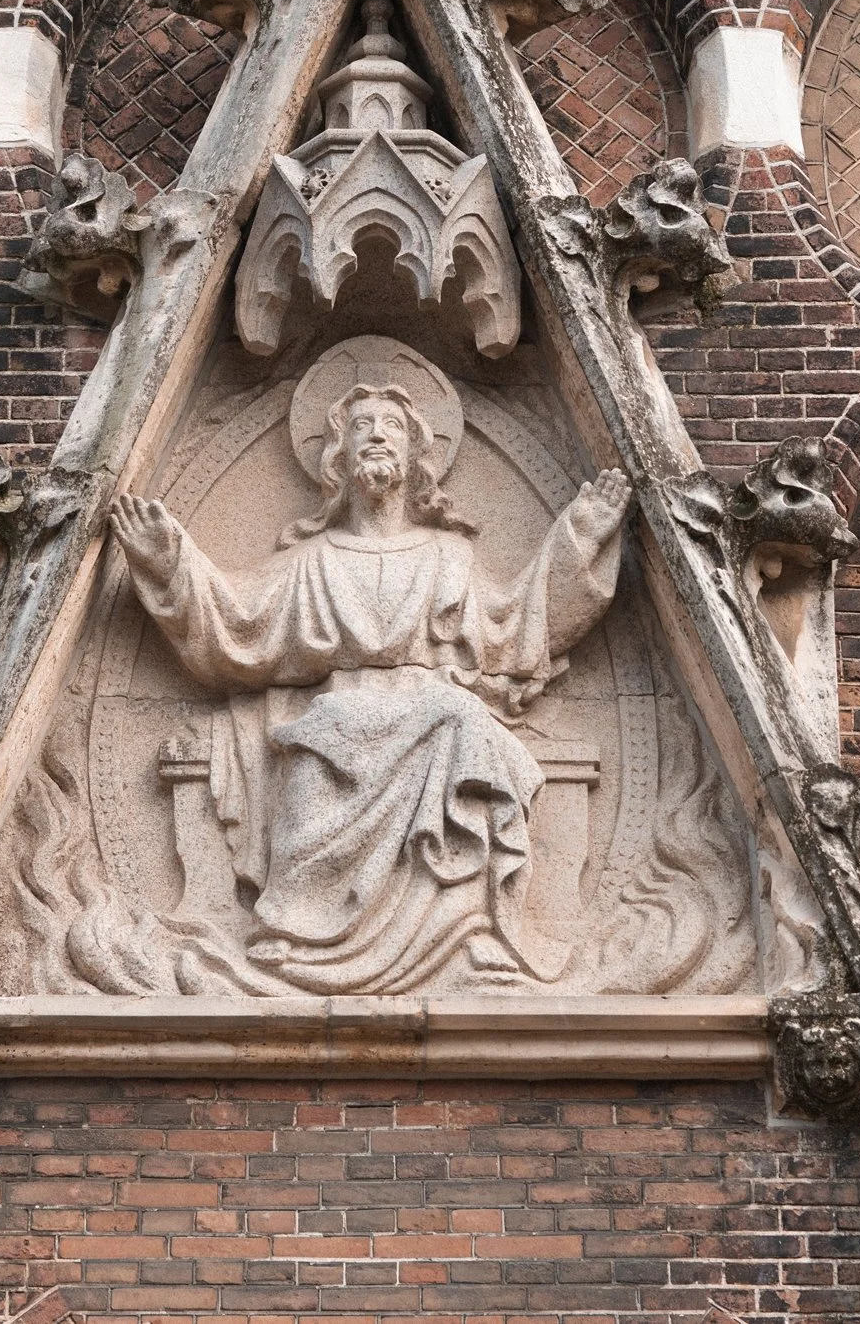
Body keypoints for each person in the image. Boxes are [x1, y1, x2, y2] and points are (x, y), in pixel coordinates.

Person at [108, 380, 632, 991]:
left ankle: (465, 933)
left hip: (434, 713)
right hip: (338, 719)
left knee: (460, 722)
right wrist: (172, 562)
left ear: (416, 455)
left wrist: (578, 540)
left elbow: (517, 627)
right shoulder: (311, 559)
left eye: (392, 424)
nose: (377, 434)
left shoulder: (448, 558)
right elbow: (237, 626)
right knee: (324, 743)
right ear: (337, 453)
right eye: (361, 424)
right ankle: (299, 931)